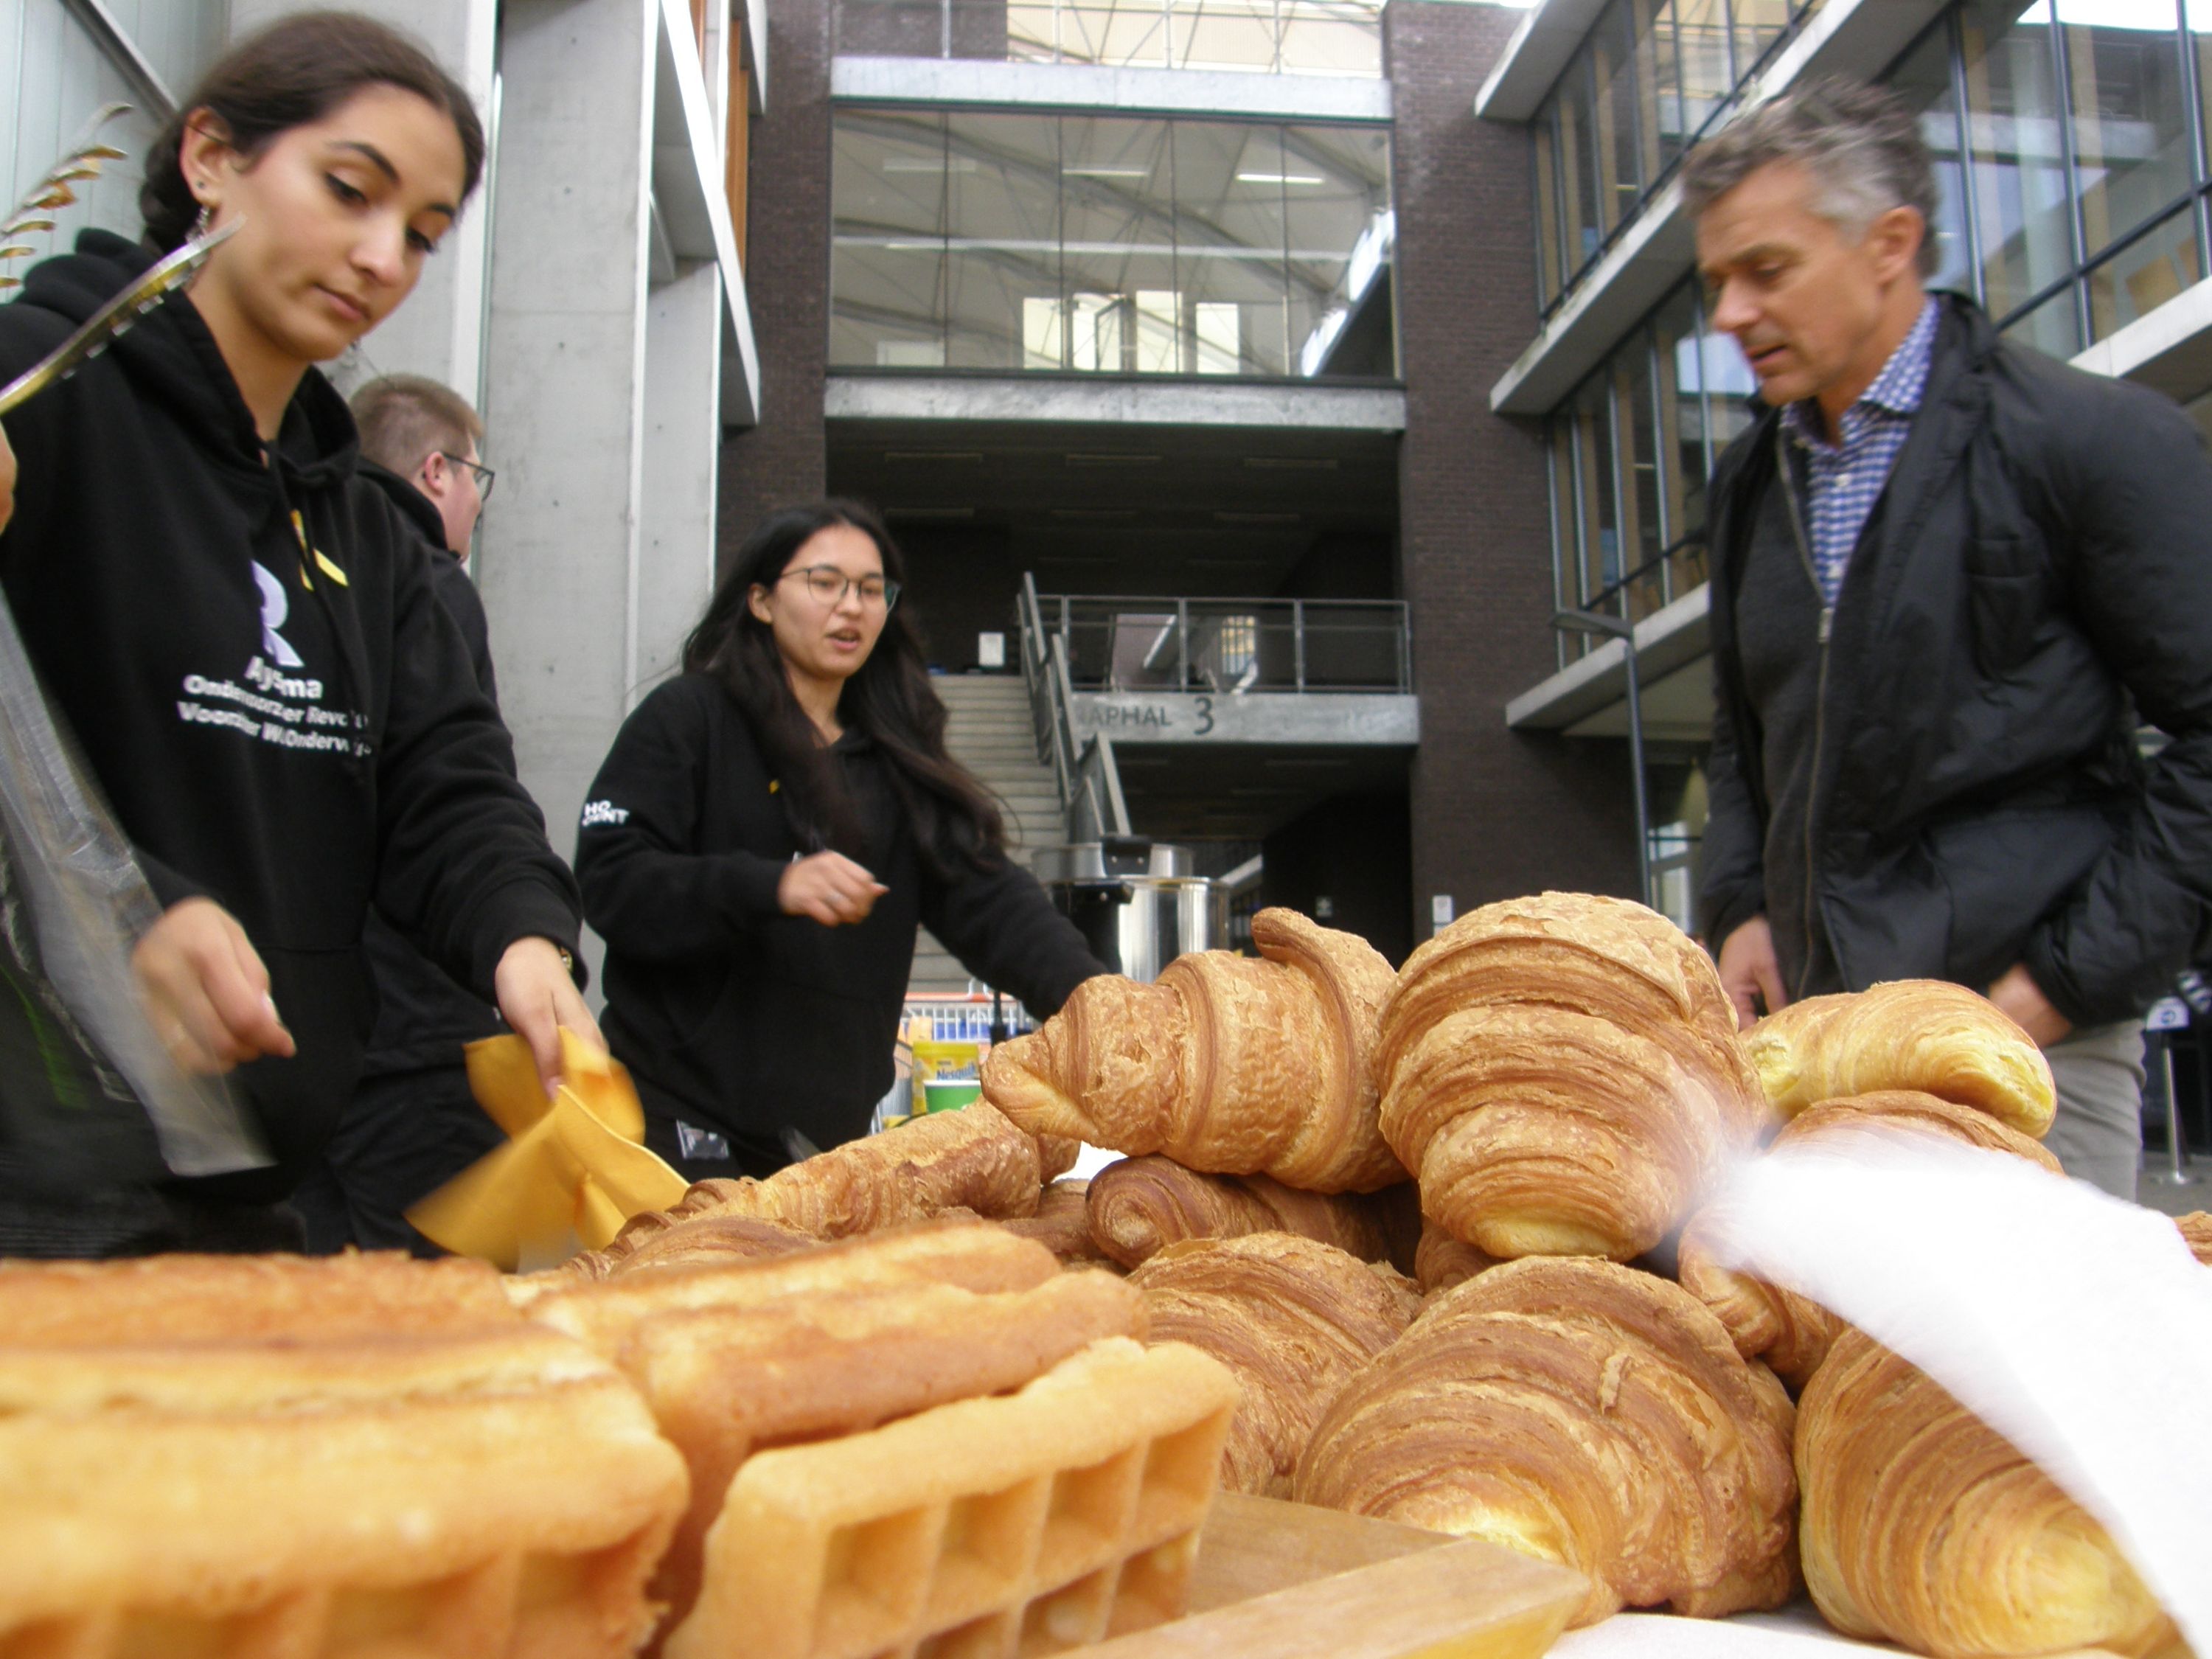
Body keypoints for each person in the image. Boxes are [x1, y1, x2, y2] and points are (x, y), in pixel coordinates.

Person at [0, 13, 597, 1253]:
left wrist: (526, 940)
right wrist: (131, 913)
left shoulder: (368, 535)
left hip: (252, 1192)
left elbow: (452, 787)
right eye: (349, 191)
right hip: (31, 1186)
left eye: (425, 235)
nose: (383, 257)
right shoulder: (39, 400)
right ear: (211, 157)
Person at [1686, 79, 2212, 1201]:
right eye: (1716, 280)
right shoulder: (1747, 483)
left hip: (2032, 1054)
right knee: (1840, 1378)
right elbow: (1741, 735)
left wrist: (2051, 989)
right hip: (1822, 1061)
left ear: (1891, 244)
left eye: (1765, 270)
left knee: (2036, 1379)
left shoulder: (2088, 443)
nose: (1729, 313)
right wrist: (1737, 905)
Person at [574, 501, 1105, 1179]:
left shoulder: (896, 760)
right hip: (672, 1129)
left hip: (822, 1153)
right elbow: (613, 880)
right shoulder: (689, 718)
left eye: (871, 589)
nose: (850, 607)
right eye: (824, 583)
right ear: (762, 600)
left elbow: (991, 899)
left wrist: (1099, 1003)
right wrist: (772, 885)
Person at [291, 375, 507, 1253]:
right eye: (477, 482)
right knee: (425, 1327)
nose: (477, 509)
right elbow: (454, 793)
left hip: (301, 1026)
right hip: (416, 1027)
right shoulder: (423, 582)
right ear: (435, 472)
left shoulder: (303, 560)